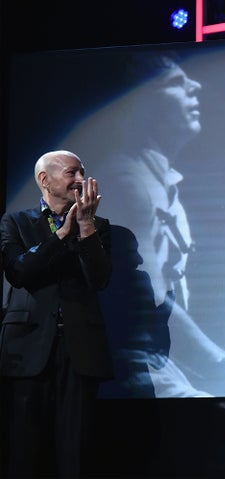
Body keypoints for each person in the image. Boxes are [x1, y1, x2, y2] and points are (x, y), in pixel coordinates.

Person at [96, 51, 225, 397]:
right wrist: (223, 361)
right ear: (142, 104)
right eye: (176, 83)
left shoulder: (160, 181)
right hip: (141, 366)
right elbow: (153, 301)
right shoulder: (128, 181)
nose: (195, 86)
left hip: (166, 359)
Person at [0, 150, 113, 477]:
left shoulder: (98, 227)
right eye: (72, 173)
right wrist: (63, 233)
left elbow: (100, 279)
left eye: (83, 173)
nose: (80, 180)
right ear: (44, 180)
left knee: (76, 452)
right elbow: (20, 272)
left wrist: (86, 227)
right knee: (24, 450)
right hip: (27, 348)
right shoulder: (15, 223)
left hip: (79, 350)